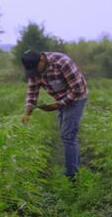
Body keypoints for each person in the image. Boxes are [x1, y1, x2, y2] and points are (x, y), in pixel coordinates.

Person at [20, 50, 88, 179]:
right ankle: (76, 168)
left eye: (36, 69)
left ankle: (71, 176)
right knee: (68, 136)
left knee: (67, 136)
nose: (35, 73)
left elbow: (78, 89)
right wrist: (27, 113)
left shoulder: (62, 63)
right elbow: (32, 91)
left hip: (77, 97)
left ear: (42, 59)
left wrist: (59, 104)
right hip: (60, 99)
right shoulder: (34, 70)